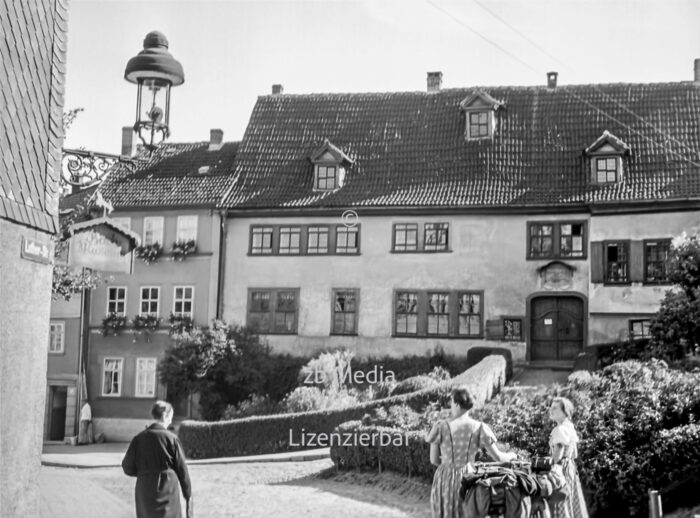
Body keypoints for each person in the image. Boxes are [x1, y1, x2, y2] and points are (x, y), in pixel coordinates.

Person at [426, 386, 517, 518]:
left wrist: (448, 463)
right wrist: (512, 455)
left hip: (444, 479)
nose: (451, 405)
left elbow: (434, 460)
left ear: (457, 404)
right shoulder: (479, 428)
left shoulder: (440, 426)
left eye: (451, 402)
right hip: (468, 478)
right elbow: (498, 457)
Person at [122, 401, 193, 518]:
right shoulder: (172, 439)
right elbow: (182, 470)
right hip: (168, 489)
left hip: (145, 491)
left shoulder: (138, 439)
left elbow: (127, 467)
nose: (171, 420)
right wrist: (188, 494)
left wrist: (144, 473)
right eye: (170, 417)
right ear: (165, 415)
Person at [548, 397, 589, 518]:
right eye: (551, 407)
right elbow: (574, 454)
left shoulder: (560, 429)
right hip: (570, 468)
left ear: (565, 412)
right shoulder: (570, 428)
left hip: (560, 469)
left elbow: (558, 455)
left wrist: (551, 467)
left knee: (559, 502)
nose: (551, 410)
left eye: (555, 408)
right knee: (569, 501)